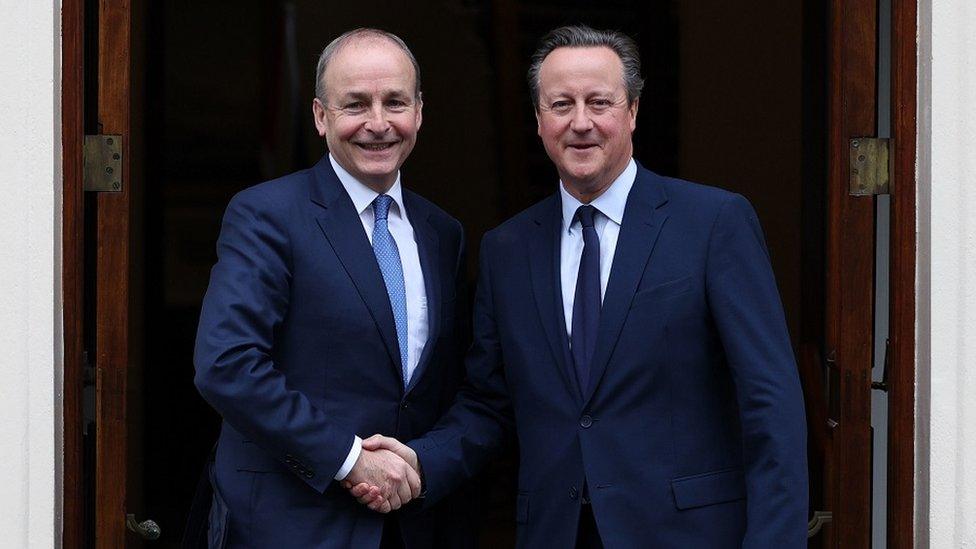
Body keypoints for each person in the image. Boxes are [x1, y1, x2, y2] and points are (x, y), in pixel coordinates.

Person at [352, 24, 808, 548]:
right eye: (561, 104)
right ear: (540, 120)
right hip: (556, 531)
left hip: (686, 533)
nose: (581, 123)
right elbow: (489, 403)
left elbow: (770, 402)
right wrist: (420, 460)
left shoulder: (713, 223)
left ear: (633, 111)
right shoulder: (507, 249)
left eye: (600, 102)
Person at [193, 28, 472, 548]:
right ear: (321, 117)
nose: (378, 124)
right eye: (355, 105)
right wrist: (350, 460)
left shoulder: (443, 234)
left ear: (420, 112)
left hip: (411, 525)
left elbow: (446, 388)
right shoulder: (267, 215)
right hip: (292, 524)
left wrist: (423, 464)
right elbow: (227, 365)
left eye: (395, 102)